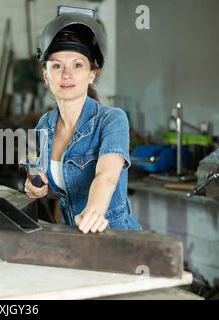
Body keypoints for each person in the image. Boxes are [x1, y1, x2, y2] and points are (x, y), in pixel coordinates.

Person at [24, 11, 142, 233]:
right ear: (46, 75)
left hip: (117, 239)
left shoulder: (112, 119)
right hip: (73, 238)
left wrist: (94, 210)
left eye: (77, 65)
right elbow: (41, 176)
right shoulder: (42, 126)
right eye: (57, 66)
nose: (66, 74)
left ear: (92, 74)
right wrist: (36, 187)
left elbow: (106, 176)